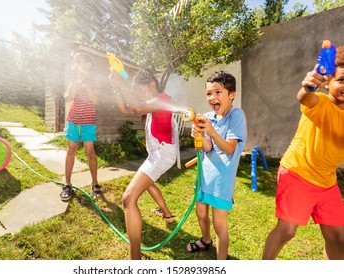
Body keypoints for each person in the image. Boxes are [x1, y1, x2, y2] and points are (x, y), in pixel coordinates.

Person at [262, 46, 344, 260]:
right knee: (287, 231)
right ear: (327, 83)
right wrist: (308, 87)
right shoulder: (322, 103)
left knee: (338, 238)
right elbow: (305, 98)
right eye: (342, 80)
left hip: (327, 183)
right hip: (298, 174)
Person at [109, 68, 180, 259]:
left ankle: (135, 259)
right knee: (148, 184)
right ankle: (167, 214)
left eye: (142, 91)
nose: (140, 95)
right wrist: (117, 89)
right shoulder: (152, 103)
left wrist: (122, 85)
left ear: (152, 85)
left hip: (163, 154)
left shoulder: (163, 99)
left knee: (128, 198)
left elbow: (138, 107)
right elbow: (125, 109)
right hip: (156, 154)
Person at [185, 71, 247, 260]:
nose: (212, 98)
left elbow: (229, 149)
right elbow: (208, 147)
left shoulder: (236, 115)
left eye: (218, 92)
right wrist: (199, 136)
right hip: (205, 175)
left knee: (219, 224)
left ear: (231, 94)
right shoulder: (210, 117)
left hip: (222, 180)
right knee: (201, 213)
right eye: (209, 94)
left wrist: (210, 131)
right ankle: (205, 240)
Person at [60, 52, 102, 201]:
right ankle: (67, 184)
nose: (78, 65)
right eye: (76, 62)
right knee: (71, 150)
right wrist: (74, 79)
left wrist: (87, 83)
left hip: (88, 122)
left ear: (88, 64)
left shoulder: (95, 80)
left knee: (89, 151)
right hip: (73, 121)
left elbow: (95, 100)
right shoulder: (75, 80)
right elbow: (68, 97)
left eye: (81, 62)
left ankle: (95, 183)